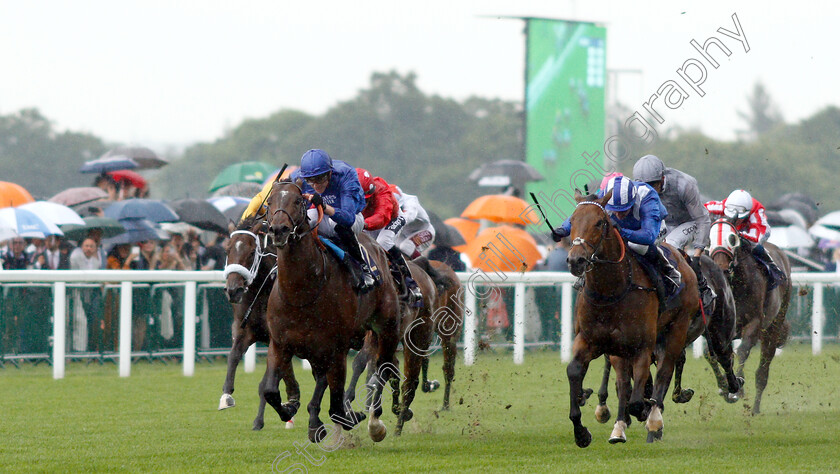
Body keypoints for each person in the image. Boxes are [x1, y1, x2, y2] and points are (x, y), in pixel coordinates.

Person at [552, 175, 682, 299]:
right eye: (615, 210)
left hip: (653, 229)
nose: (619, 215)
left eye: (623, 210)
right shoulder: (605, 195)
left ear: (633, 201)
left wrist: (622, 231)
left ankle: (668, 270)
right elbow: (584, 215)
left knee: (637, 246)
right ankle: (585, 277)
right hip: (625, 228)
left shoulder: (648, 197)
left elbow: (648, 236)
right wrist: (563, 230)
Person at [633, 154, 716, 311]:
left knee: (669, 245)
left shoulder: (684, 185)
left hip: (690, 222)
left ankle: (702, 286)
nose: (649, 190)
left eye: (653, 184)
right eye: (645, 185)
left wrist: (697, 256)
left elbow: (702, 219)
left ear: (662, 178)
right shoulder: (638, 188)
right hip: (665, 223)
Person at [288, 149, 375, 292]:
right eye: (310, 181)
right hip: (322, 214)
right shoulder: (297, 177)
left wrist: (322, 204)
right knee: (304, 222)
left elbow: (347, 218)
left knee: (336, 224)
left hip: (352, 218)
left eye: (320, 179)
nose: (315, 185)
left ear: (330, 173)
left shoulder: (346, 174)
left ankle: (362, 267)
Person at [356, 167, 423, 303]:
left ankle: (411, 283)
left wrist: (361, 224)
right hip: (368, 221)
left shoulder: (382, 191)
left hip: (392, 219)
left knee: (383, 242)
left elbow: (382, 217)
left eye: (366, 199)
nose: (363, 203)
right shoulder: (348, 189)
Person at [705, 189, 786, 289]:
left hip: (757, 231)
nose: (737, 220)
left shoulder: (756, 212)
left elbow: (755, 238)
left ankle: (773, 269)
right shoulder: (722, 206)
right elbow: (700, 211)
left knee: (755, 246)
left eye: (740, 218)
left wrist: (738, 235)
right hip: (732, 230)